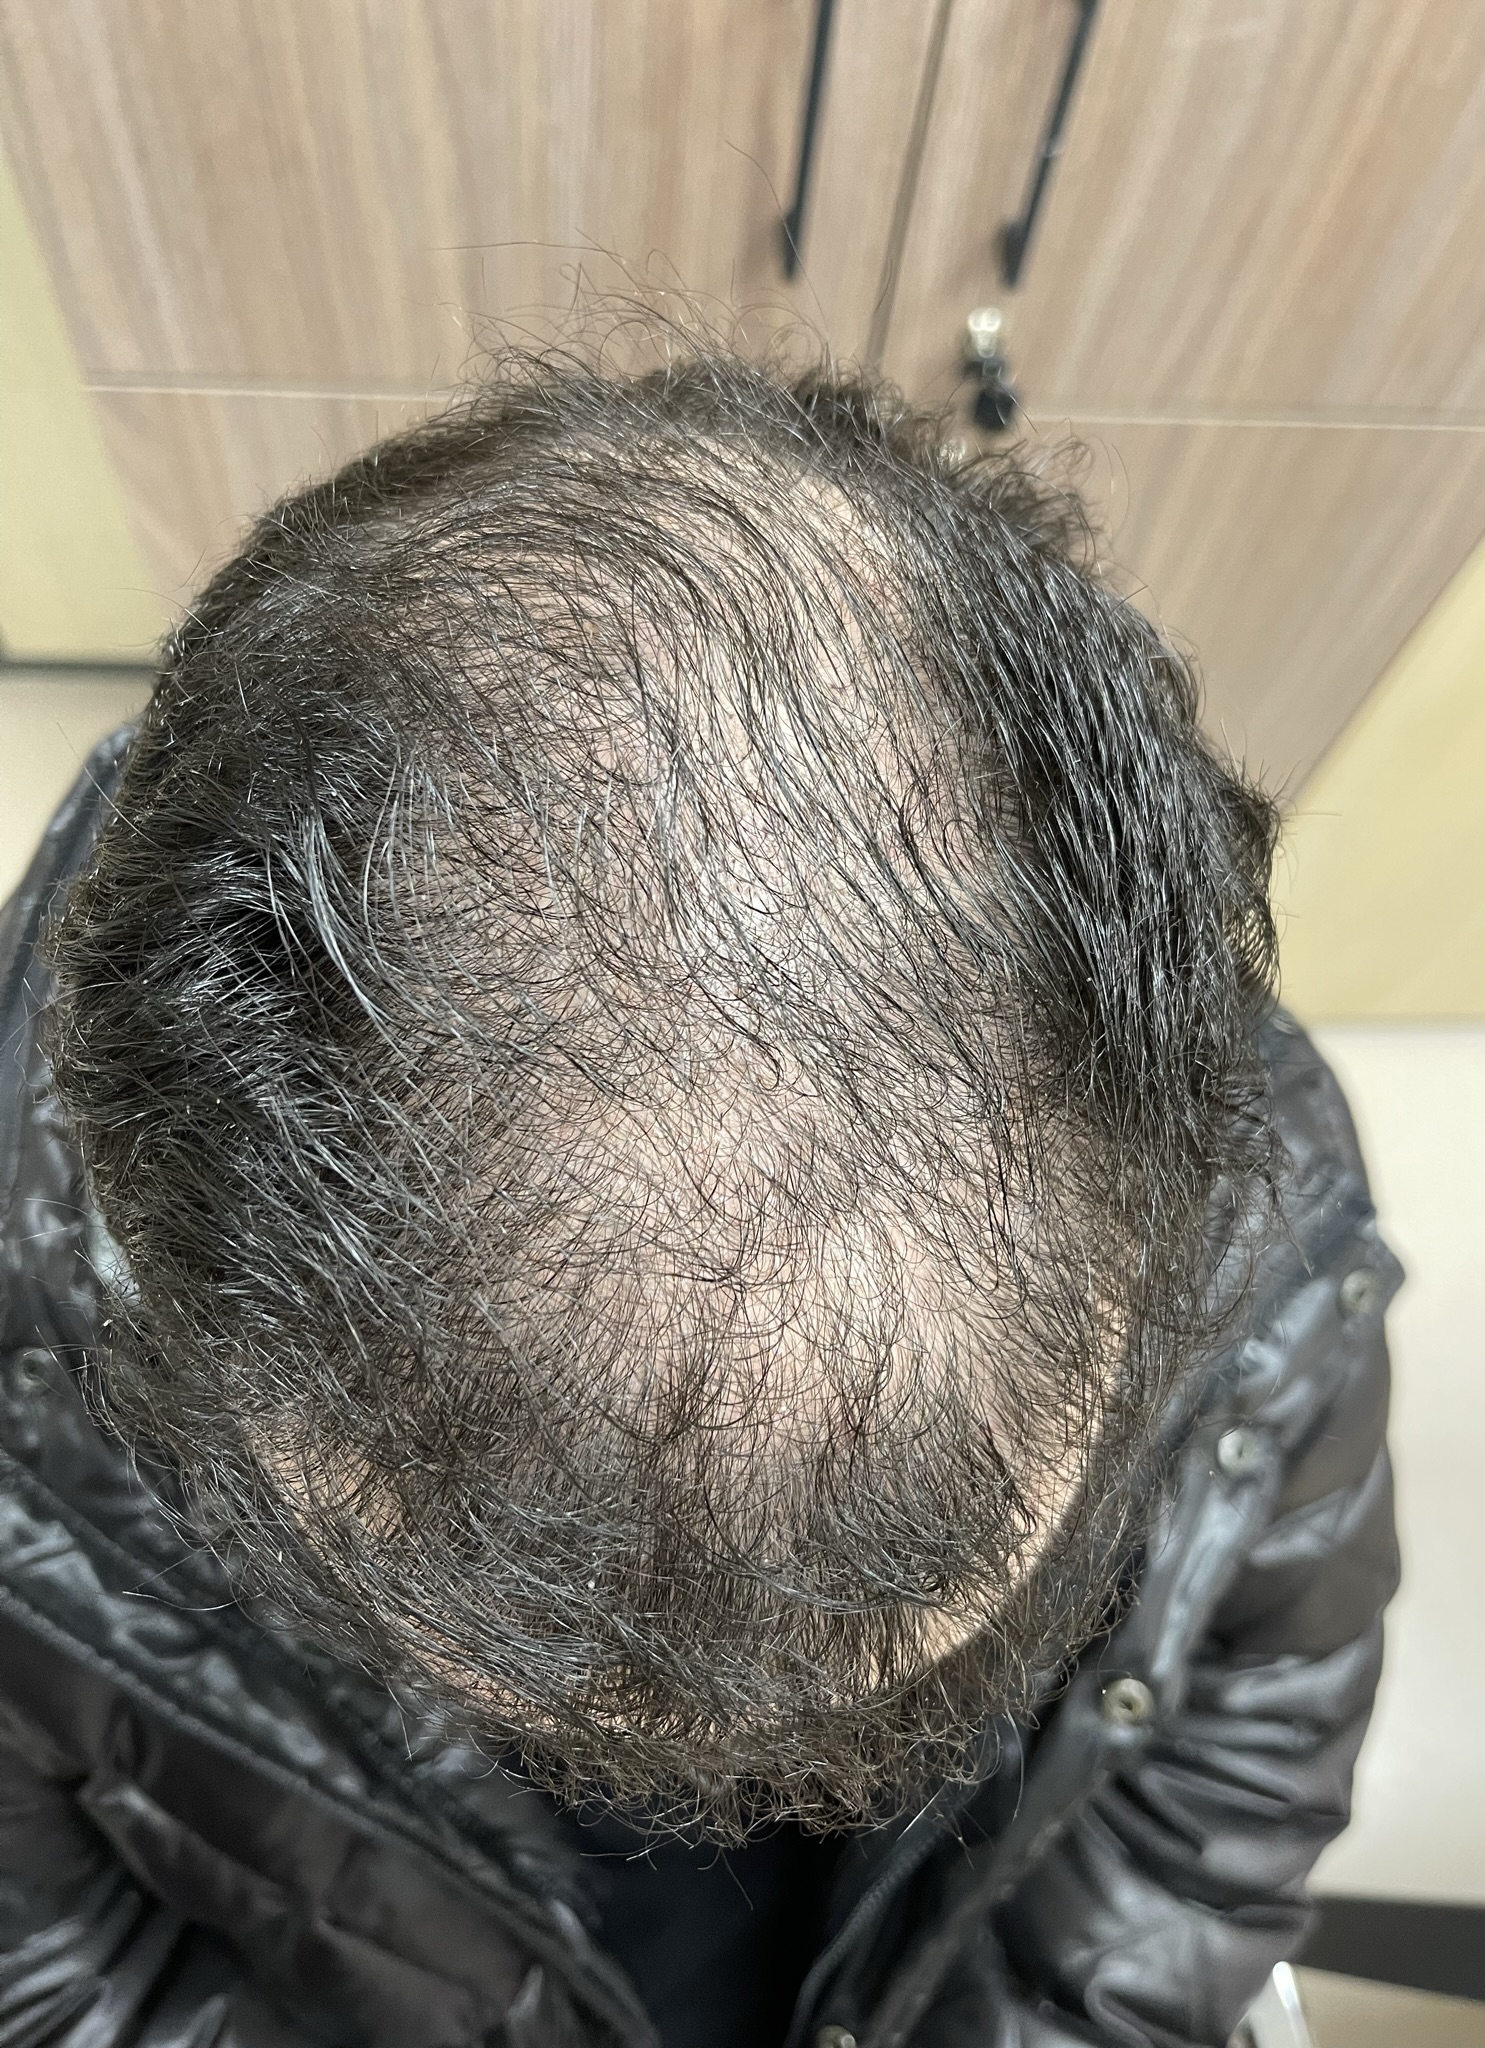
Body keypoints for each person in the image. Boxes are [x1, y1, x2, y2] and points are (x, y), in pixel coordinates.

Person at [0, 352, 1398, 2048]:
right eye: (546, 1696)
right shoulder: (34, 1443)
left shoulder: (1247, 1212)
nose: (726, 1804)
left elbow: (1232, 1760)